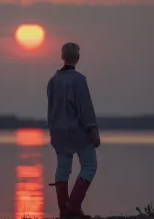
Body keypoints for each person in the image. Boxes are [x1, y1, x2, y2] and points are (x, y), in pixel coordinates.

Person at [47, 42, 100, 218]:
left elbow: (51, 110)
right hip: (78, 132)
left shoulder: (53, 81)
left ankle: (65, 210)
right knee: (90, 166)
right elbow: (85, 107)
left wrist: (52, 133)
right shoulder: (79, 80)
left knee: (63, 169)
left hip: (59, 132)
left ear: (62, 56)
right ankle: (73, 208)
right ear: (77, 58)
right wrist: (92, 129)